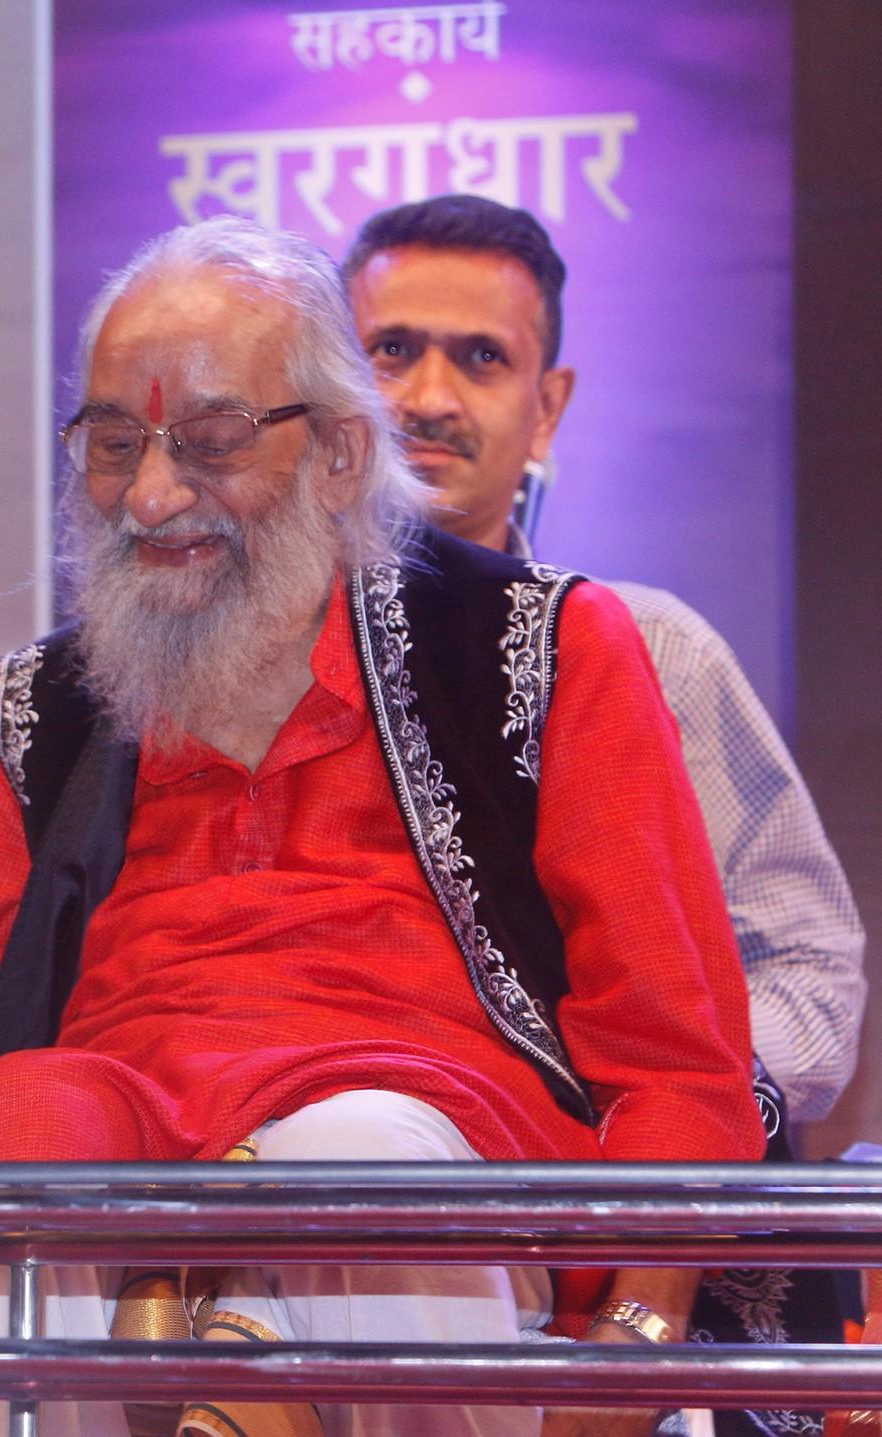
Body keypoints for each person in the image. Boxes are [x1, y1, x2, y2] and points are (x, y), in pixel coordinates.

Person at [0, 216, 763, 1437]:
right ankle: (196, 1294)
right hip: (115, 1164)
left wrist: (633, 1344)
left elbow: (676, 1068)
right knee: (12, 1134)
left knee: (352, 1155)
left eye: (209, 441)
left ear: (342, 453)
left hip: (426, 1173)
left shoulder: (543, 649)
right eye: (111, 440)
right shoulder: (39, 712)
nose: (147, 493)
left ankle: (229, 1294)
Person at [341, 192, 868, 1436]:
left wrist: (646, 1134)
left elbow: (811, 969)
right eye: (389, 350)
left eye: (480, 357)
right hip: (327, 1217)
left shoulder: (649, 651)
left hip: (624, 1251)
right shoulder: (243, 668)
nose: (426, 395)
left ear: (548, 406)